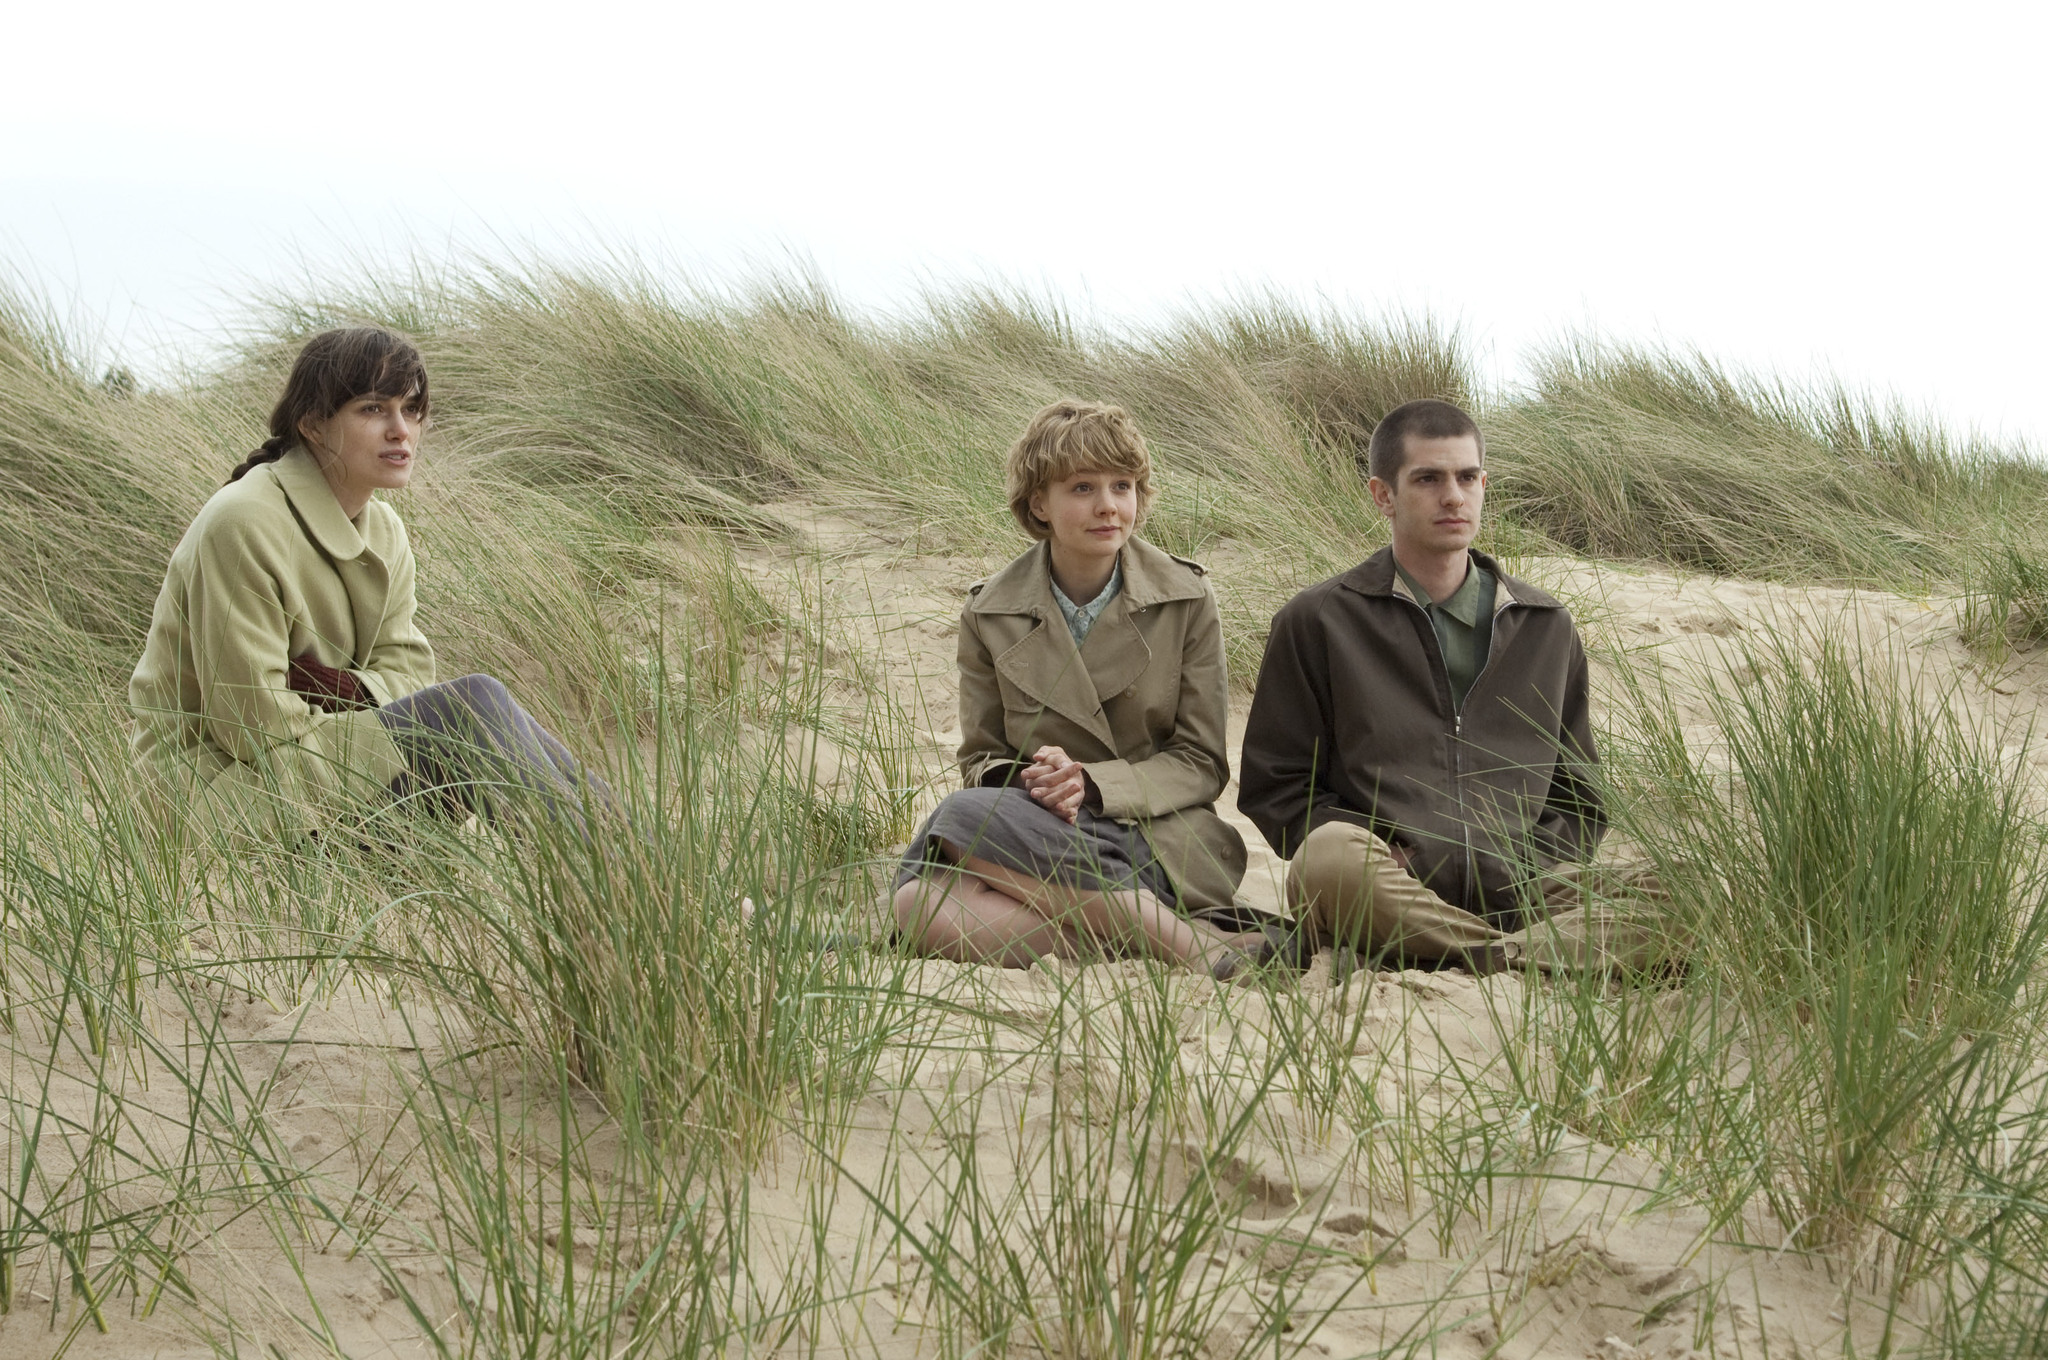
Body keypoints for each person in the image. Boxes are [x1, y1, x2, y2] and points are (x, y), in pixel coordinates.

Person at [130, 325, 615, 849]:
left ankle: (634, 866)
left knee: (477, 721)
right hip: (217, 796)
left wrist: (336, 686)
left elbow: (410, 670)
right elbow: (253, 727)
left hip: (313, 770)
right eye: (373, 409)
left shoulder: (384, 531)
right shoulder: (244, 521)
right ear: (314, 424)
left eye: (411, 409)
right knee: (470, 706)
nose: (401, 430)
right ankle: (605, 876)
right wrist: (370, 705)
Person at [1238, 399, 1666, 973]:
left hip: (1525, 892)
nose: (1453, 496)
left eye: (1467, 477)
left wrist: (1532, 865)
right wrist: (1388, 848)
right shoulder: (1318, 620)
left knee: (1692, 888)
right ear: (1382, 495)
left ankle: (1489, 953)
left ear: (1484, 484)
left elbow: (1579, 794)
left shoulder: (1544, 625)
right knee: (1324, 862)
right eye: (1428, 479)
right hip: (1393, 885)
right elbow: (1277, 786)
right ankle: (1529, 958)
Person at [891, 399, 1282, 976]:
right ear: (1038, 504)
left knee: (957, 821)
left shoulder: (1187, 597)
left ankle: (1186, 949)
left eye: (1122, 486)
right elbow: (981, 757)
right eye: (1081, 488)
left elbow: (1201, 762)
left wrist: (1092, 785)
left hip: (1161, 835)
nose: (1107, 507)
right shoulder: (990, 611)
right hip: (1039, 828)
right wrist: (1041, 783)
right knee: (915, 903)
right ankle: (1173, 940)